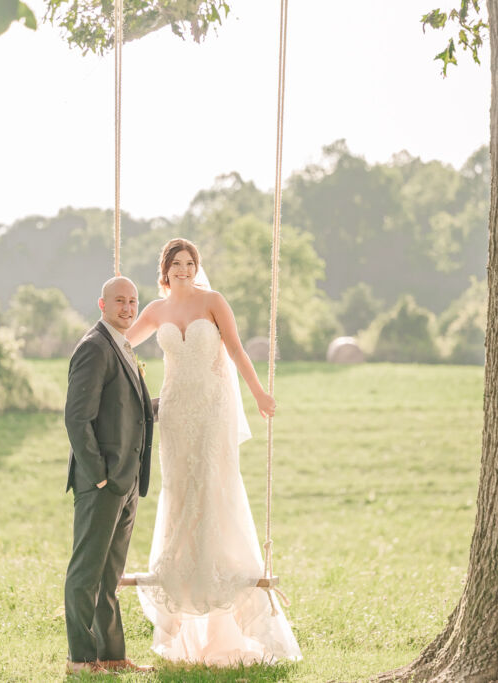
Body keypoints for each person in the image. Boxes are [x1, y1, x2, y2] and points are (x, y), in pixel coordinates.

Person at [125, 238, 302, 665]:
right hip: (176, 410)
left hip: (212, 409)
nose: (184, 270)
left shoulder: (213, 301)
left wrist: (259, 393)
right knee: (182, 492)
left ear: (196, 267)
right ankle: (186, 588)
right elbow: (121, 344)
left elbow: (237, 350)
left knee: (212, 489)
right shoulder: (155, 310)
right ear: (164, 270)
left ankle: (226, 589)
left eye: (190, 263)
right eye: (176, 264)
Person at [63, 276, 155, 675]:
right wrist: (99, 476)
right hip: (102, 483)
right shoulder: (94, 347)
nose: (128, 308)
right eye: (120, 300)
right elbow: (77, 417)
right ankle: (80, 661)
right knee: (86, 572)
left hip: (128, 481)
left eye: (133, 301)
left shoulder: (123, 346)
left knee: (110, 575)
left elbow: (128, 407)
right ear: (102, 304)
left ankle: (112, 657)